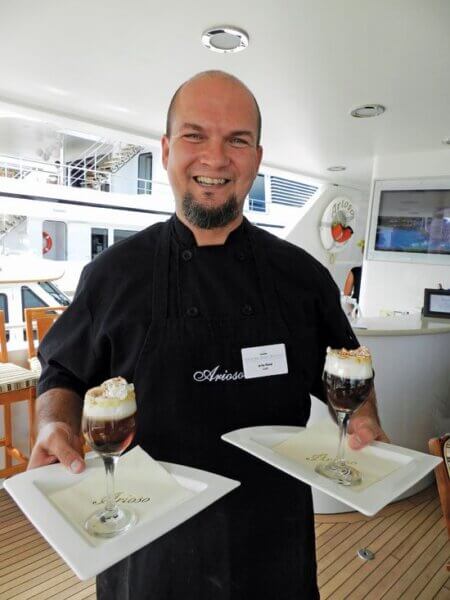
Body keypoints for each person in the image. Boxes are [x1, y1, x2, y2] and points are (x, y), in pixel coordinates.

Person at [28, 70, 388, 599]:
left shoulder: (303, 277)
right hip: (147, 552)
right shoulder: (112, 275)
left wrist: (364, 421)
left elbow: (348, 371)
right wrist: (52, 424)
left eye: (237, 140)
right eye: (195, 136)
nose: (215, 159)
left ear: (257, 159)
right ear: (168, 149)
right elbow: (63, 372)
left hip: (273, 547)